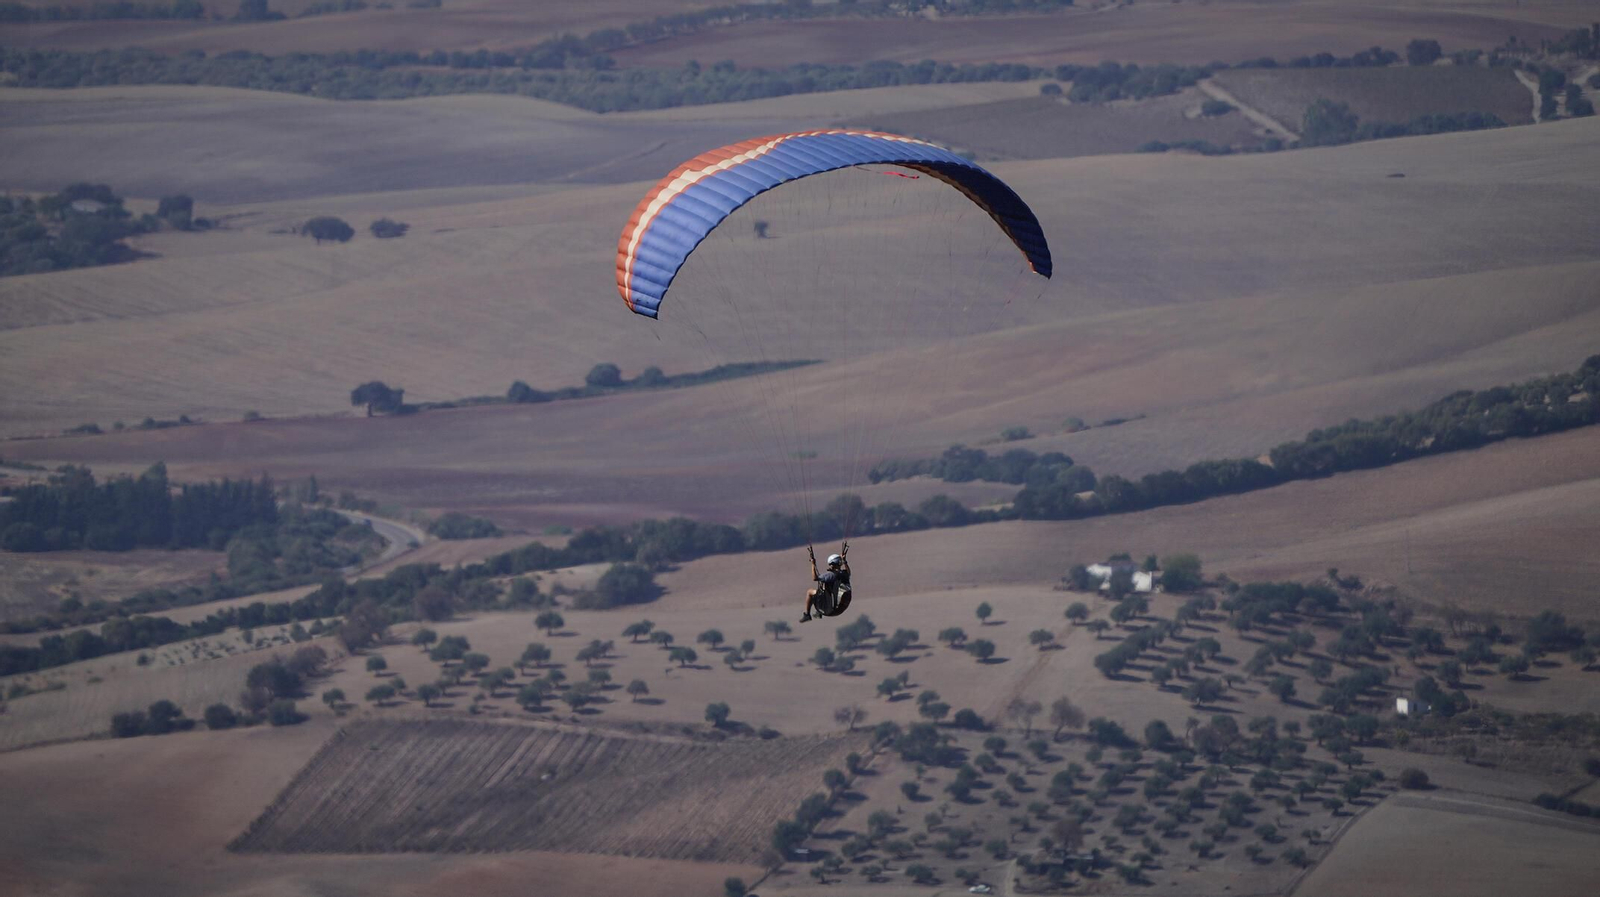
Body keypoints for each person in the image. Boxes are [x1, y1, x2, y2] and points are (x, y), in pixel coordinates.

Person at [800, 543, 851, 622]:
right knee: (825, 588)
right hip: (840, 609)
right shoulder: (845, 574)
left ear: (831, 564)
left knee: (810, 592)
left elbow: (815, 578)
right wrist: (845, 561)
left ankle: (807, 614)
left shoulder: (830, 575)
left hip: (830, 610)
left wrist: (813, 564)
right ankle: (818, 612)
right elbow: (848, 571)